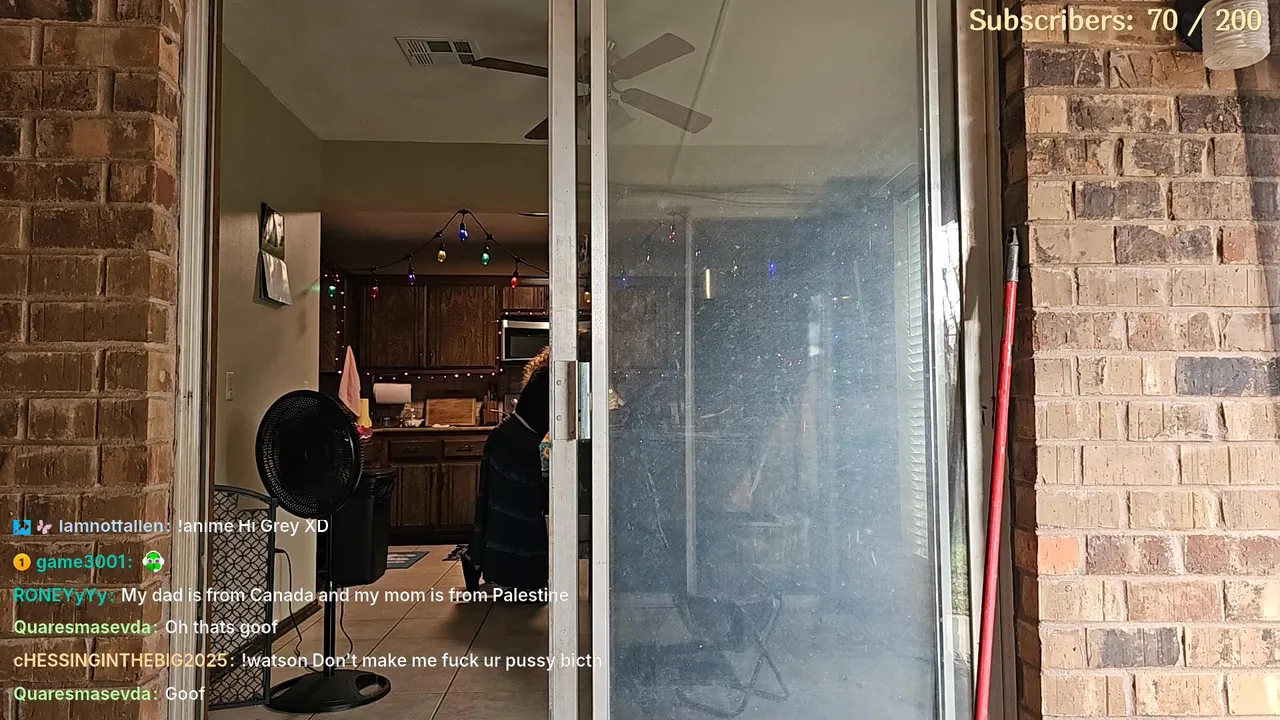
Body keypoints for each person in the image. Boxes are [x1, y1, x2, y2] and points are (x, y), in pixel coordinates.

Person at [462, 348, 551, 592]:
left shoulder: (545, 373)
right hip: (513, 445)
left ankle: (478, 561)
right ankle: (516, 576)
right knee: (515, 513)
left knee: (500, 512)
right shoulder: (552, 376)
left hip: (512, 441)